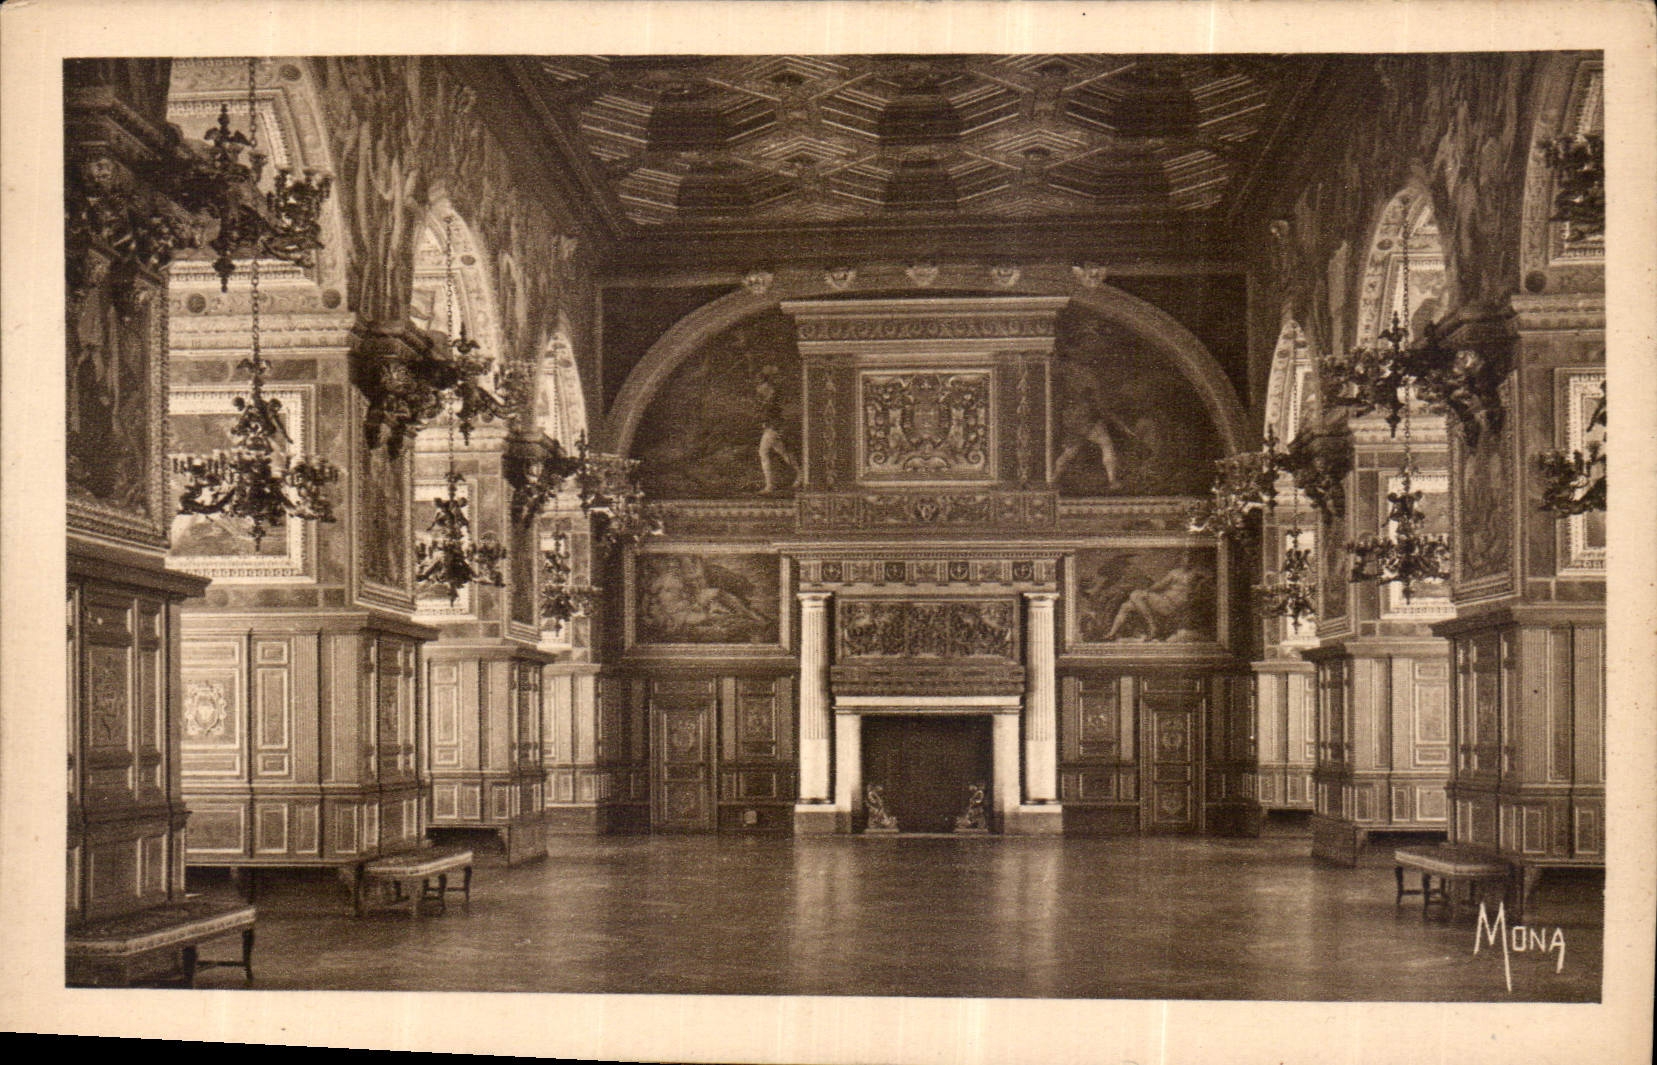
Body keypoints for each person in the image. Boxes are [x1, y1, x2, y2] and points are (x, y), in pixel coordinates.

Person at [1103, 563, 1211, 641]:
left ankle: (1153, 627)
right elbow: (1158, 587)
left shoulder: (1180, 573)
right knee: (1126, 606)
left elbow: (1158, 587)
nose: (1186, 561)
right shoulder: (1189, 573)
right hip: (1165, 601)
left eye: (1187, 558)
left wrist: (1145, 589)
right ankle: (1112, 633)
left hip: (1169, 604)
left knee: (1135, 594)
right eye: (1184, 558)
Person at [754, 363, 800, 493]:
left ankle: (770, 485)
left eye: (762, 381)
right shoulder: (767, 394)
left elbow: (771, 412)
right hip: (772, 426)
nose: (760, 388)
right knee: (782, 451)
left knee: (763, 452)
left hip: (773, 427)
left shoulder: (771, 394)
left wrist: (767, 420)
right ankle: (801, 474)